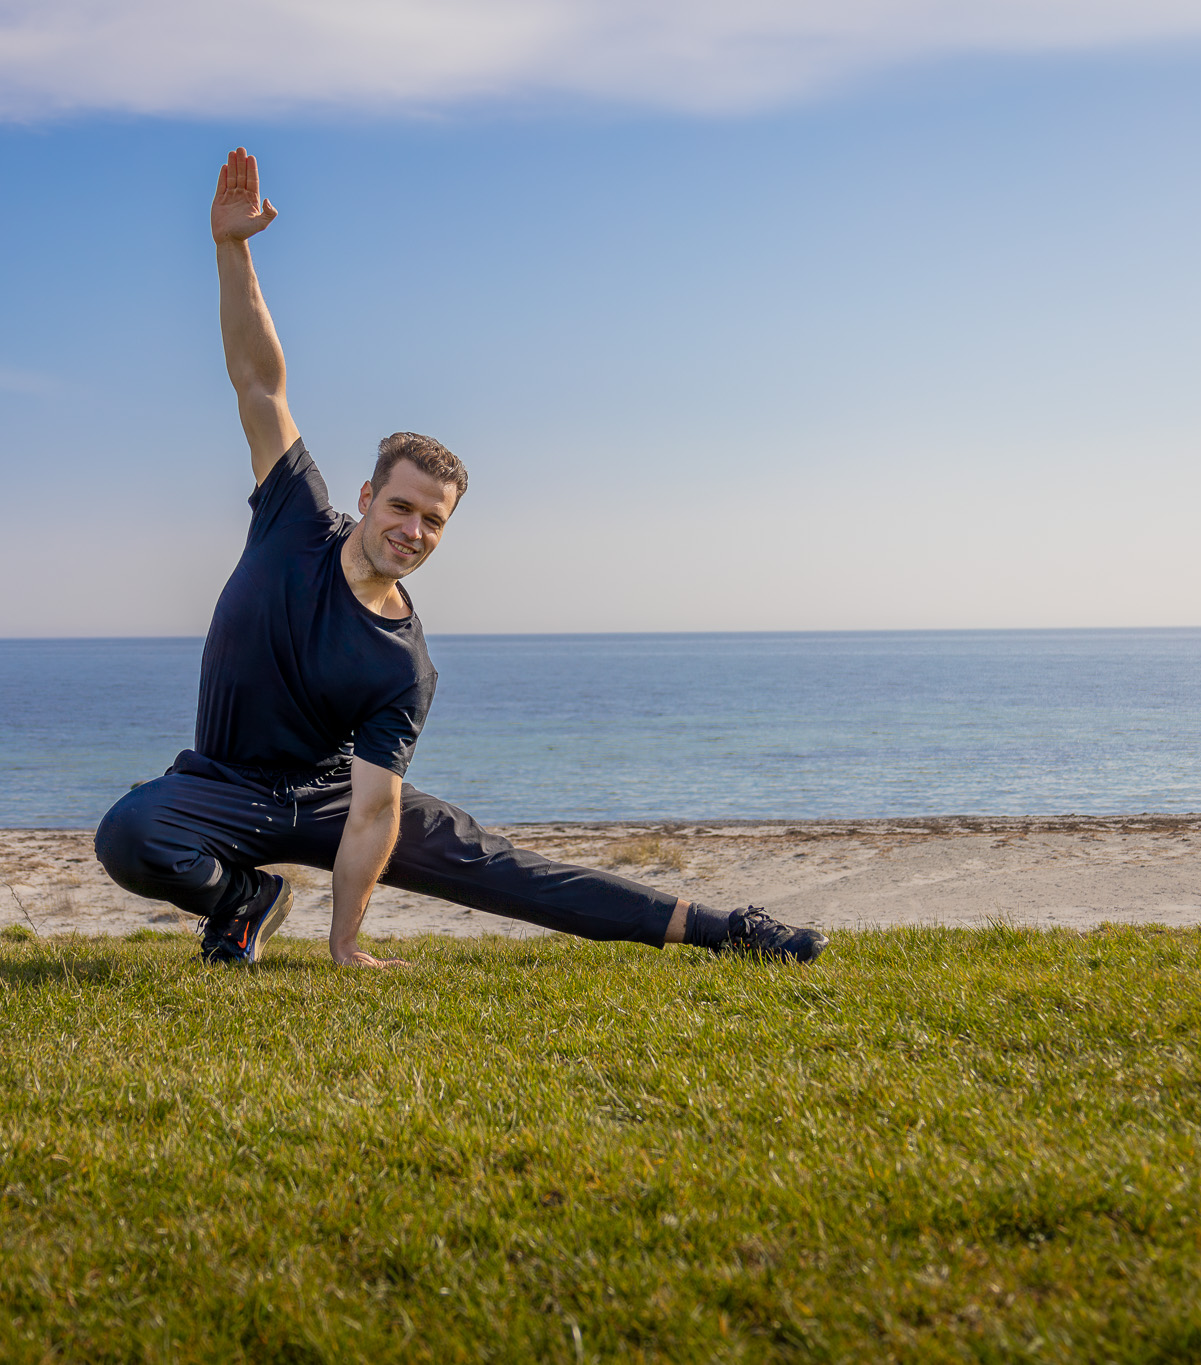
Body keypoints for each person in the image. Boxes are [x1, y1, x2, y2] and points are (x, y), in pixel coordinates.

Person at [94, 147, 827, 970]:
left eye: (433, 522)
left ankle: (730, 929)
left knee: (513, 873)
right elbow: (259, 382)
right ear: (368, 494)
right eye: (402, 506)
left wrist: (346, 944)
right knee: (130, 832)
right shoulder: (293, 517)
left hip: (333, 798)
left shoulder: (402, 665)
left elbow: (372, 812)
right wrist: (234, 249)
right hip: (222, 786)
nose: (413, 530)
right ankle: (245, 900)